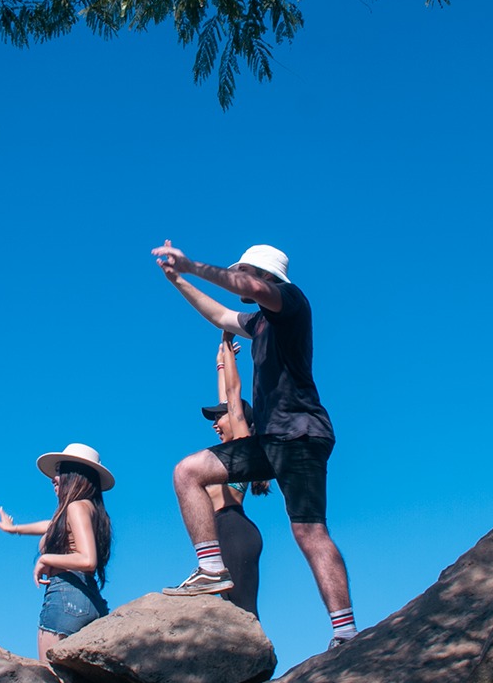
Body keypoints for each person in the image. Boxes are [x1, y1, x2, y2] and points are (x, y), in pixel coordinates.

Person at [153, 240, 357, 650]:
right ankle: (212, 568)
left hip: (301, 433)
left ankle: (346, 632)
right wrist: (178, 281)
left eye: (244, 271)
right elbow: (221, 315)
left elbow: (253, 288)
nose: (238, 278)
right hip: (269, 440)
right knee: (188, 471)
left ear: (265, 276)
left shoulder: (290, 301)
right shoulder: (259, 322)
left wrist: (192, 265)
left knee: (309, 531)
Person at [0, 442, 114, 662]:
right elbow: (49, 526)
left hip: (66, 598)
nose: (54, 478)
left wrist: (46, 558)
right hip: (90, 600)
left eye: (60, 471)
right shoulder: (90, 510)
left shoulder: (76, 508)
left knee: (50, 678)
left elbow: (88, 559)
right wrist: (15, 529)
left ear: (74, 475)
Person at [199, 332, 267, 617]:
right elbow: (226, 401)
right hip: (223, 531)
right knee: (227, 614)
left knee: (244, 613)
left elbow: (232, 394)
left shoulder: (243, 445)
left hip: (234, 530)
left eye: (220, 418)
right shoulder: (228, 455)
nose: (215, 424)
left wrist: (228, 348)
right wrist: (220, 364)